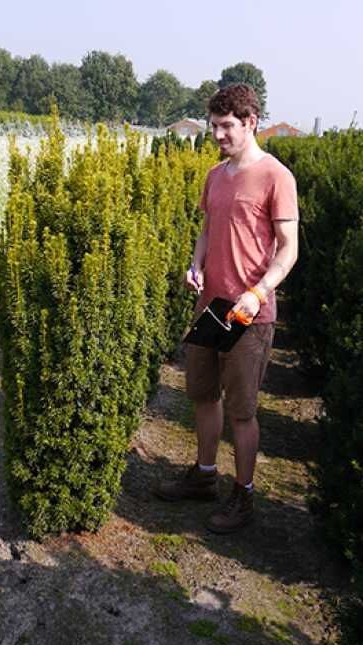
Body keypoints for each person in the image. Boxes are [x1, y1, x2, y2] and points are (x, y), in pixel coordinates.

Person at [154, 83, 299, 534]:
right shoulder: (216, 175)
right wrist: (195, 264)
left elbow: (289, 249)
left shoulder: (276, 176)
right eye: (214, 125)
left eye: (226, 126)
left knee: (242, 411)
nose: (217, 134)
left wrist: (259, 292)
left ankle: (244, 494)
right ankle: (204, 476)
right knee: (202, 395)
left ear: (250, 122)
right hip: (211, 307)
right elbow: (207, 228)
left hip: (249, 313)